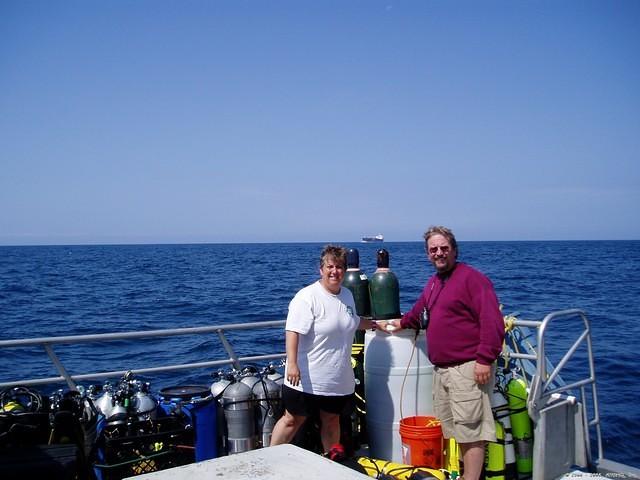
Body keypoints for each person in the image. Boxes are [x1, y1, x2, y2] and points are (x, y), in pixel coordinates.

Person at [388, 226, 505, 480]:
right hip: (443, 370)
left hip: (468, 367)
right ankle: (464, 475)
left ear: (454, 250)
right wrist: (401, 323)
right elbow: (420, 312)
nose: (439, 253)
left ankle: (471, 478)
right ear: (428, 254)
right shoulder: (434, 283)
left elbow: (492, 321)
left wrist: (485, 359)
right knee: (454, 429)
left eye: (443, 248)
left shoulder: (473, 279)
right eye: (433, 250)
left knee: (471, 430)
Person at [270, 244, 378, 458]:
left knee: (332, 420)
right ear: (321, 269)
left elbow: (351, 321)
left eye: (339, 267)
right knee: (293, 419)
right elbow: (293, 331)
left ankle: (331, 462)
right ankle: (268, 460)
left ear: (345, 270)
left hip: (337, 379)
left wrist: (376, 324)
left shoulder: (347, 295)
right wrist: (292, 364)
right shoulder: (307, 296)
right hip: (306, 377)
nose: (334, 271)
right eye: (330, 266)